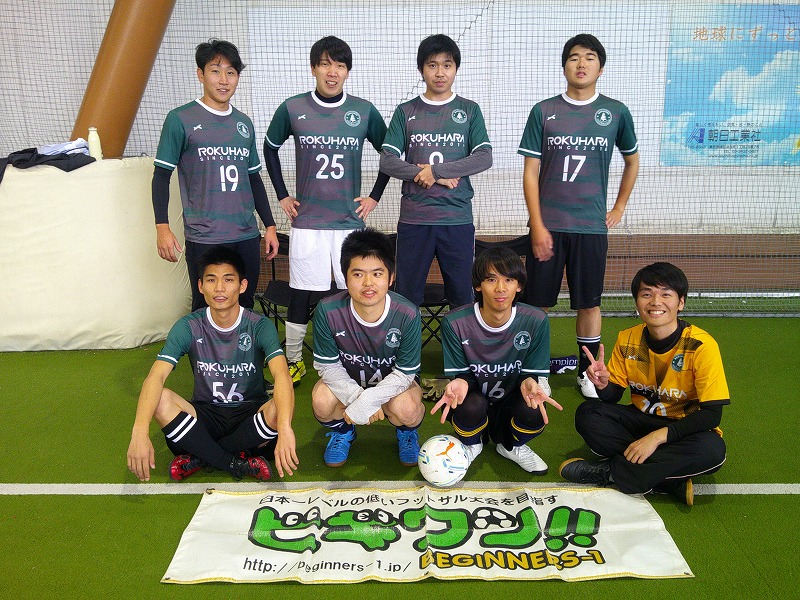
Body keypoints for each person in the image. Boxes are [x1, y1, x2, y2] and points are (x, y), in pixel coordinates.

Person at [518, 33, 639, 399]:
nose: (581, 63)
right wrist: (537, 224)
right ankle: (536, 372)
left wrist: (619, 207)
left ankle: (587, 373)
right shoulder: (544, 111)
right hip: (549, 227)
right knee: (537, 303)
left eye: (589, 57)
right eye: (573, 57)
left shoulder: (615, 112)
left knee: (589, 302)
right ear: (564, 66)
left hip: (590, 228)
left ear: (600, 67)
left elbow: (632, 160)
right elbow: (530, 172)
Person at [264, 36, 389, 386]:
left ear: (347, 71)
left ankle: (353, 357)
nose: (332, 72)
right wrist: (283, 195)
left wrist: (374, 196)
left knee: (353, 290)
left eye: (340, 65)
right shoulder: (293, 108)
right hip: (308, 223)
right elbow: (270, 148)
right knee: (301, 291)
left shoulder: (363, 111)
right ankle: (293, 361)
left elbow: (390, 153)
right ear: (313, 68)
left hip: (348, 224)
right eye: (325, 64)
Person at [559, 262, 730, 506]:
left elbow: (712, 415)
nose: (655, 302)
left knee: (713, 450)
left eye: (666, 294)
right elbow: (612, 397)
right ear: (637, 302)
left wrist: (656, 438)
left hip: (683, 429)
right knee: (589, 414)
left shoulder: (701, 346)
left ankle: (611, 472)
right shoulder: (628, 338)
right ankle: (668, 478)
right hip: (640, 420)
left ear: (681, 302)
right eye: (647, 294)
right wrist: (602, 384)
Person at [127, 246, 298, 482]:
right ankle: (235, 462)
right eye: (211, 280)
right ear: (200, 286)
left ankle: (202, 456)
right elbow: (156, 377)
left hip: (250, 416)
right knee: (161, 399)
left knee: (281, 406)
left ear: (242, 285)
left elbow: (282, 375)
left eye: (228, 279)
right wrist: (139, 431)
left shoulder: (259, 325)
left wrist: (286, 428)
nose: (219, 288)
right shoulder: (188, 326)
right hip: (206, 416)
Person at [152, 39, 278, 312]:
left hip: (246, 234)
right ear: (201, 74)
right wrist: (162, 227)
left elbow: (253, 178)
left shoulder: (244, 123)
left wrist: (269, 225)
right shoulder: (180, 119)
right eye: (215, 71)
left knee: (244, 305)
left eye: (230, 72)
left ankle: (242, 344)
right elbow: (161, 175)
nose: (223, 80)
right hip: (205, 236)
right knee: (205, 308)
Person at [380, 33, 492, 309]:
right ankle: (406, 341)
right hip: (415, 219)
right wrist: (431, 176)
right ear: (421, 69)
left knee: (462, 297)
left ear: (456, 69)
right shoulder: (406, 111)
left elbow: (484, 157)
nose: (440, 72)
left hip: (457, 219)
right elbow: (387, 161)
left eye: (447, 65)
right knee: (406, 298)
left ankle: (459, 341)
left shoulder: (469, 110)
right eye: (432, 65)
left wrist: (437, 171)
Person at [431, 247, 562, 475]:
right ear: (478, 285)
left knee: (534, 406)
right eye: (491, 279)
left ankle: (511, 446)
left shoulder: (536, 320)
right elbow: (462, 375)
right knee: (465, 402)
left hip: (510, 400)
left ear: (519, 285)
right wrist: (460, 382)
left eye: (509, 279)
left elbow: (530, 373)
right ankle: (473, 444)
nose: (501, 288)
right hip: (477, 399)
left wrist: (531, 382)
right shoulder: (455, 322)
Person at [311, 228, 424, 468]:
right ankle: (343, 431)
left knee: (407, 409)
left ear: (391, 278)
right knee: (321, 401)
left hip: (394, 386)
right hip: (348, 383)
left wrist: (370, 399)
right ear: (345, 277)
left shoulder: (408, 313)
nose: (368, 283)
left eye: (377, 273)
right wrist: (358, 398)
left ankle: (406, 433)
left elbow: (405, 373)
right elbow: (328, 366)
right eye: (358, 274)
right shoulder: (327, 310)